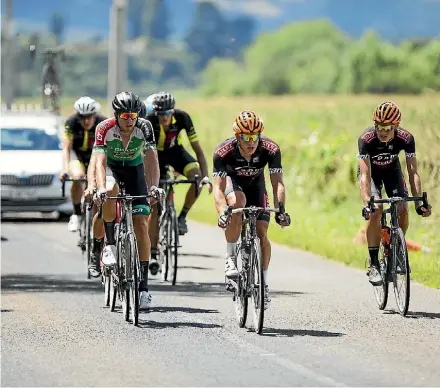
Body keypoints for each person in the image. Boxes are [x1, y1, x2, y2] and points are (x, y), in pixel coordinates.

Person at [212, 110, 291, 310]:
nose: (251, 142)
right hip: (234, 186)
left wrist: (281, 209)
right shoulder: (223, 151)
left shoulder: (270, 149)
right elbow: (218, 188)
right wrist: (223, 213)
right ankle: (230, 258)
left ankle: (263, 284)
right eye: (246, 137)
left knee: (262, 233)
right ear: (238, 136)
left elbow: (278, 184)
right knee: (238, 202)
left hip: (257, 187)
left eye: (255, 137)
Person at [92, 91, 164, 309]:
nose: (130, 120)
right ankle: (110, 245)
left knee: (142, 224)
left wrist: (153, 186)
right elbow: (100, 162)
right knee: (111, 190)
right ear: (116, 115)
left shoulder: (145, 127)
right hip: (112, 169)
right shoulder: (104, 128)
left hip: (135, 171)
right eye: (125, 116)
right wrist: (101, 187)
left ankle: (143, 288)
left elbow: (152, 160)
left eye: (133, 115)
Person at [357, 101, 432, 286]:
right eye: (379, 127)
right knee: (376, 210)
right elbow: (365, 175)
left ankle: (397, 248)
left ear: (396, 126)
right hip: (371, 174)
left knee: (402, 206)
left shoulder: (406, 139)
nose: (382, 131)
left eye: (387, 128)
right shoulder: (366, 139)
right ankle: (374, 264)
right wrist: (368, 201)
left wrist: (419, 202)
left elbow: (413, 171)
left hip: (392, 172)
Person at [146, 91, 212, 275]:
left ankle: (182, 216)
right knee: (155, 207)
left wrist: (205, 176)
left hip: (176, 153)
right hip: (154, 156)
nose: (165, 117)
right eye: (161, 113)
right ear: (156, 112)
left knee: (196, 178)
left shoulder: (183, 118)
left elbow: (198, 150)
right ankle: (152, 252)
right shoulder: (148, 120)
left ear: (173, 110)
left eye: (168, 113)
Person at [60, 96, 107, 233]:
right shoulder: (71, 122)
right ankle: (76, 214)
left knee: (100, 182)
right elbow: (66, 149)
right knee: (78, 176)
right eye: (82, 117)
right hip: (78, 155)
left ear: (95, 115)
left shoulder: (103, 123)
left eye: (89, 116)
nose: (86, 121)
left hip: (97, 155)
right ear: (77, 116)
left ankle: (97, 219)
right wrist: (64, 169)